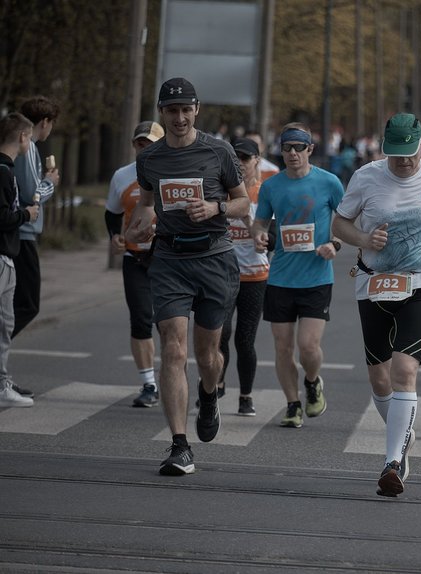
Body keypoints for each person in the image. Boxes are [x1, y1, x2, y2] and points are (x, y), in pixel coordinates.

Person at [331, 112, 421, 497]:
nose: (404, 162)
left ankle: (392, 462)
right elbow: (338, 224)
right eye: (396, 155)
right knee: (379, 377)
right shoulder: (367, 176)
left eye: (409, 154)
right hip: (374, 283)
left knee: (405, 370)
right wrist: (362, 238)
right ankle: (402, 433)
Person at [126, 77, 249, 476]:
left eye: (186, 110)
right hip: (170, 260)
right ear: (161, 113)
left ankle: (209, 391)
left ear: (196, 110)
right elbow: (146, 204)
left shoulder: (219, 150)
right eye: (172, 111)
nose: (180, 117)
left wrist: (215, 209)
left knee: (208, 356)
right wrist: (138, 227)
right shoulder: (150, 159)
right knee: (173, 350)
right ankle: (180, 445)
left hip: (215, 259)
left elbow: (242, 202)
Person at [251, 123, 344, 428]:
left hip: (317, 277)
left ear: (310, 150)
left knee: (308, 346)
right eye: (287, 148)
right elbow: (260, 223)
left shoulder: (329, 183)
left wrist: (334, 244)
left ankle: (313, 381)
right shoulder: (271, 186)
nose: (292, 153)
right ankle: (292, 404)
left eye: (298, 148)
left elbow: (346, 223)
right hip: (279, 278)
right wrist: (260, 237)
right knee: (282, 347)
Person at [105, 121, 165, 408]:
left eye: (152, 145)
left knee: (169, 323)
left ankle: (172, 375)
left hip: (168, 259)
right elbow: (111, 213)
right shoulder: (122, 176)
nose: (146, 150)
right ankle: (149, 383)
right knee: (141, 320)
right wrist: (115, 236)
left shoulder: (174, 173)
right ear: (134, 146)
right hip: (135, 258)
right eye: (142, 144)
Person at [216, 138, 271, 416]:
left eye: (245, 158)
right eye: (235, 156)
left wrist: (264, 238)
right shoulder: (219, 191)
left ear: (256, 161)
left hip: (255, 276)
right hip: (223, 275)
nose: (239, 162)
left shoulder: (264, 193)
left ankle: (246, 396)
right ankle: (217, 384)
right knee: (219, 333)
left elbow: (273, 236)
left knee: (245, 340)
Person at [12, 96, 60, 346]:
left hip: (17, 230)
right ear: (45, 121)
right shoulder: (28, 145)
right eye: (51, 124)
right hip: (23, 232)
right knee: (28, 304)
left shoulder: (21, 144)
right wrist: (50, 183)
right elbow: (33, 194)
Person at [0, 113, 39, 407]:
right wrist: (27, 214)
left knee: (5, 321)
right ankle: (1, 385)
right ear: (23, 137)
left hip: (6, 255)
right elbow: (3, 216)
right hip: (2, 255)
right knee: (3, 323)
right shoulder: (4, 171)